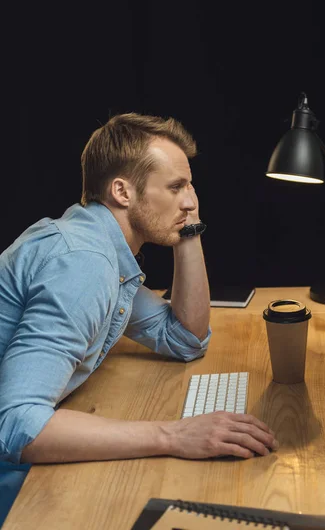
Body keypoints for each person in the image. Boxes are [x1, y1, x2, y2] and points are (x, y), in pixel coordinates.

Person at [0, 112, 278, 464]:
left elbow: (184, 339)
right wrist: (172, 435)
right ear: (122, 192)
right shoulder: (83, 263)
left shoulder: (101, 248)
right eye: (176, 187)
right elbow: (16, 424)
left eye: (190, 187)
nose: (192, 202)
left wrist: (187, 230)